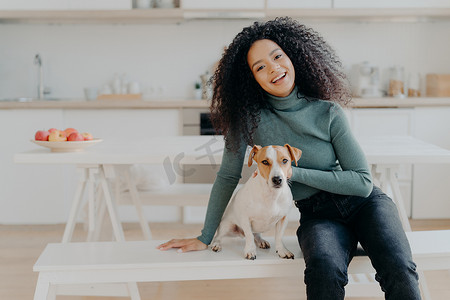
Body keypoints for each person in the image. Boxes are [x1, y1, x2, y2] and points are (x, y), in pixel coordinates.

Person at [157, 17, 421, 299]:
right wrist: (205, 236)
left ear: (293, 57)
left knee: (398, 267)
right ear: (251, 79)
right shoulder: (246, 121)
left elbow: (362, 183)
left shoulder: (327, 112)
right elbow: (227, 176)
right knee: (323, 269)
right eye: (260, 67)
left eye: (277, 56)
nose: (273, 68)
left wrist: (294, 172)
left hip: (366, 206)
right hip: (316, 215)